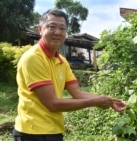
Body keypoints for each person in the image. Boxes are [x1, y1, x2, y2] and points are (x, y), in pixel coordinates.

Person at [13, 8, 126, 141]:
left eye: (62, 28)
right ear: (40, 29)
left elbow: (78, 93)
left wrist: (111, 101)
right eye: (51, 27)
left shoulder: (61, 61)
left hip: (53, 130)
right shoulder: (33, 58)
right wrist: (94, 102)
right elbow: (52, 104)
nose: (57, 32)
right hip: (31, 132)